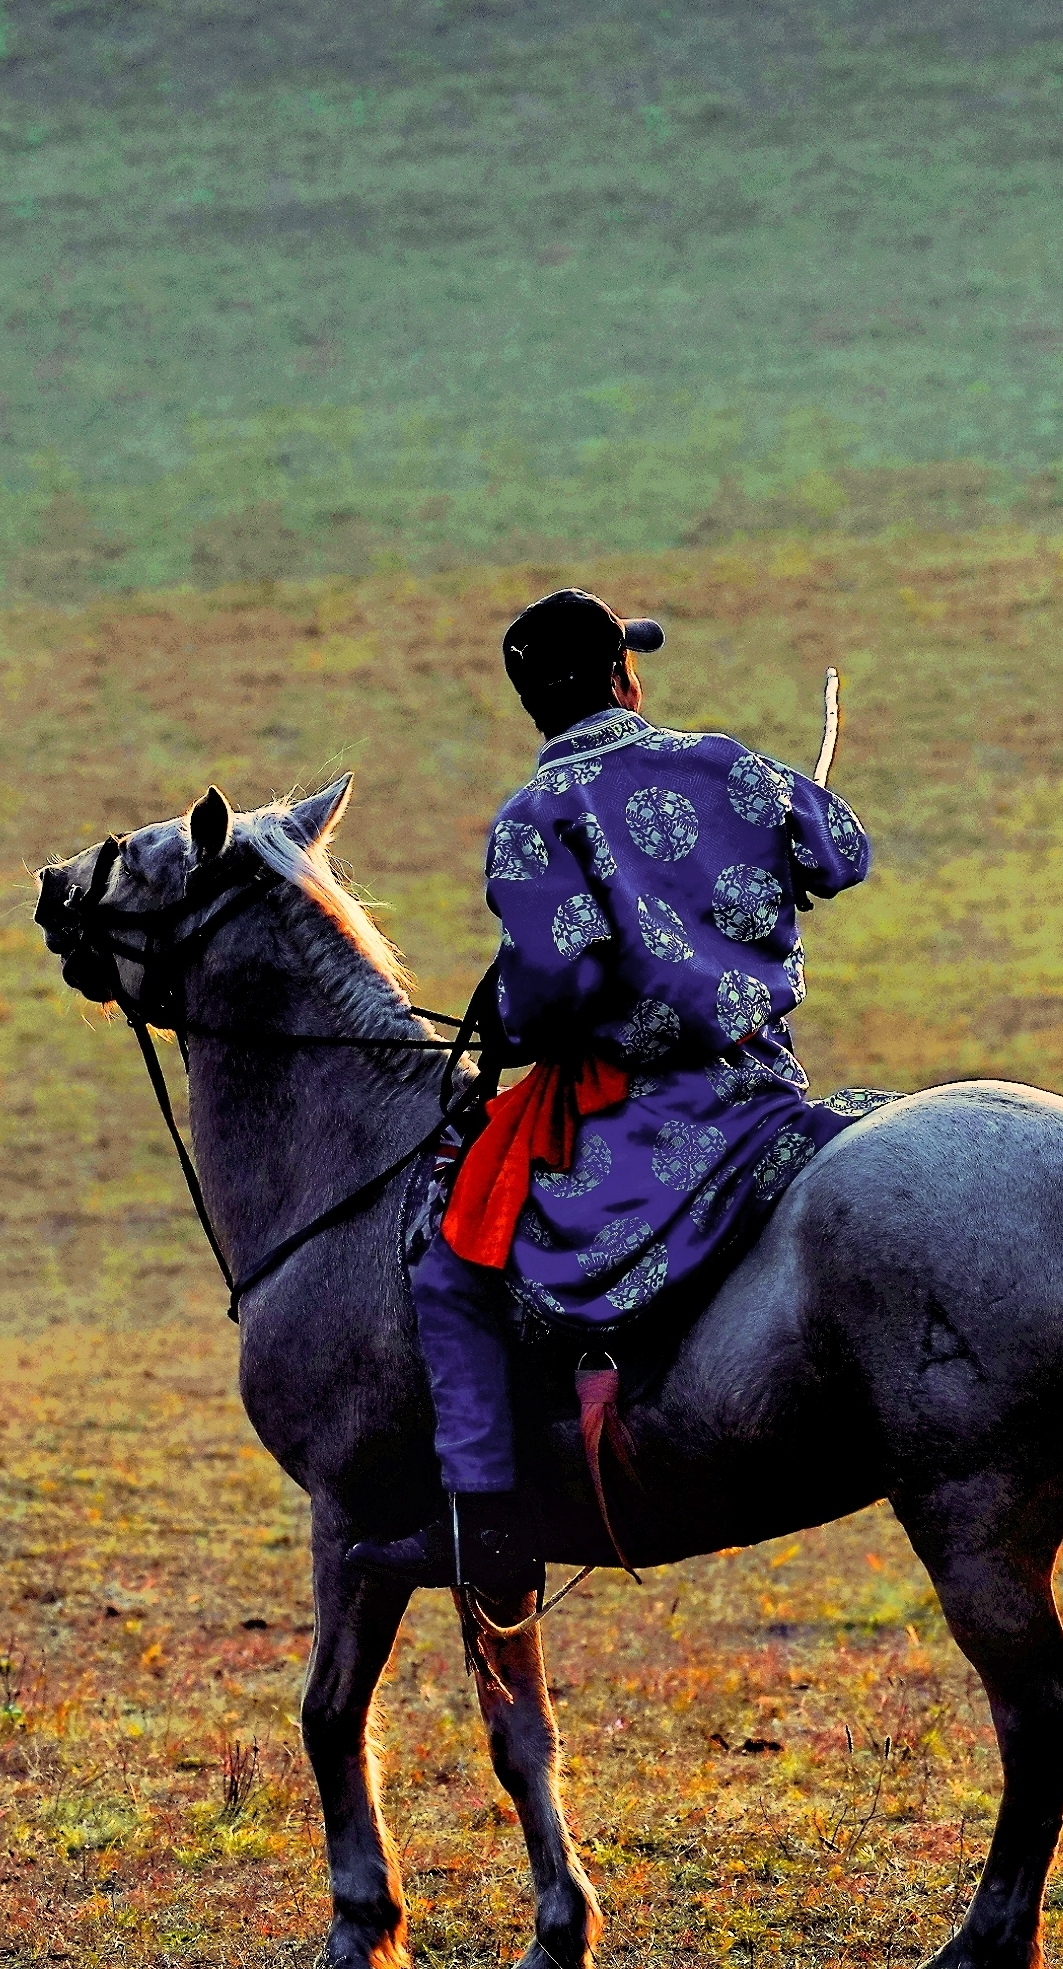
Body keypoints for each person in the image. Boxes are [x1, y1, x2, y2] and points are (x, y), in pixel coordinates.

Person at [345, 588, 878, 1598]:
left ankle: (487, 1527)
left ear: (534, 707)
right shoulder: (723, 761)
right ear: (624, 678)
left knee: (455, 1260)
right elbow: (842, 854)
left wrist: (503, 1002)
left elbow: (558, 990)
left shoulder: (534, 818)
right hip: (762, 1091)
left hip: (639, 1120)